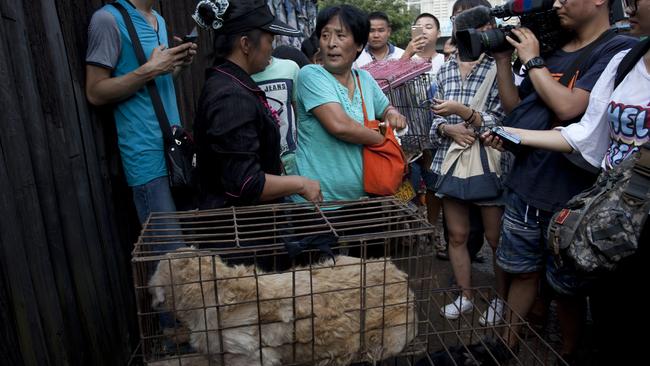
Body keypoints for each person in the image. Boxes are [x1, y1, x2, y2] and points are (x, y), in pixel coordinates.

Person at [484, 0, 648, 362]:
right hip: (531, 182)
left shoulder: (618, 51)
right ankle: (504, 347)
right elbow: (523, 112)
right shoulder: (556, 50)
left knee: (567, 287)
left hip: (575, 194)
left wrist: (532, 60)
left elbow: (569, 109)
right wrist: (502, 61)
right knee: (523, 272)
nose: (555, 3)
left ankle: (568, 351)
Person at [192, 0, 322, 210]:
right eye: (269, 41)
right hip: (239, 231)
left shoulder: (232, 82)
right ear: (245, 44)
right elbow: (246, 182)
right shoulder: (230, 97)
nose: (272, 49)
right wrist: (300, 183)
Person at [429, 0, 509, 325]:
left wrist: (464, 115)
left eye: (476, 21)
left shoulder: (499, 65)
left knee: (496, 240)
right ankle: (465, 295)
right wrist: (448, 127)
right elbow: (432, 123)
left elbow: (504, 121)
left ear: (488, 24)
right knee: (457, 236)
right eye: (460, 21)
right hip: (450, 161)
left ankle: (501, 300)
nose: (468, 28)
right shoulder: (445, 67)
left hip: (487, 163)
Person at [85, 0, 197, 226]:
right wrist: (151, 69)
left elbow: (155, 82)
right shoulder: (107, 20)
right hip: (145, 159)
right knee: (169, 256)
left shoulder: (159, 20)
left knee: (189, 254)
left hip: (175, 154)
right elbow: (95, 92)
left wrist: (179, 66)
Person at [294, 4, 407, 202]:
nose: (331, 43)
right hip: (320, 203)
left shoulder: (364, 78)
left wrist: (393, 114)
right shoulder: (310, 74)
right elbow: (340, 126)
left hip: (364, 199)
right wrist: (383, 140)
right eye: (325, 35)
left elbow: (385, 108)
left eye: (340, 35)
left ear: (359, 45)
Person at [252, 56, 301, 175]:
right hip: (259, 164)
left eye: (270, 40)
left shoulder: (290, 68)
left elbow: (299, 113)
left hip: (291, 159)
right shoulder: (240, 75)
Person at [401, 13, 445, 81]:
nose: (423, 31)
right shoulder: (402, 58)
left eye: (428, 27)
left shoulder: (445, 60)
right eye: (419, 28)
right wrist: (406, 55)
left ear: (438, 33)